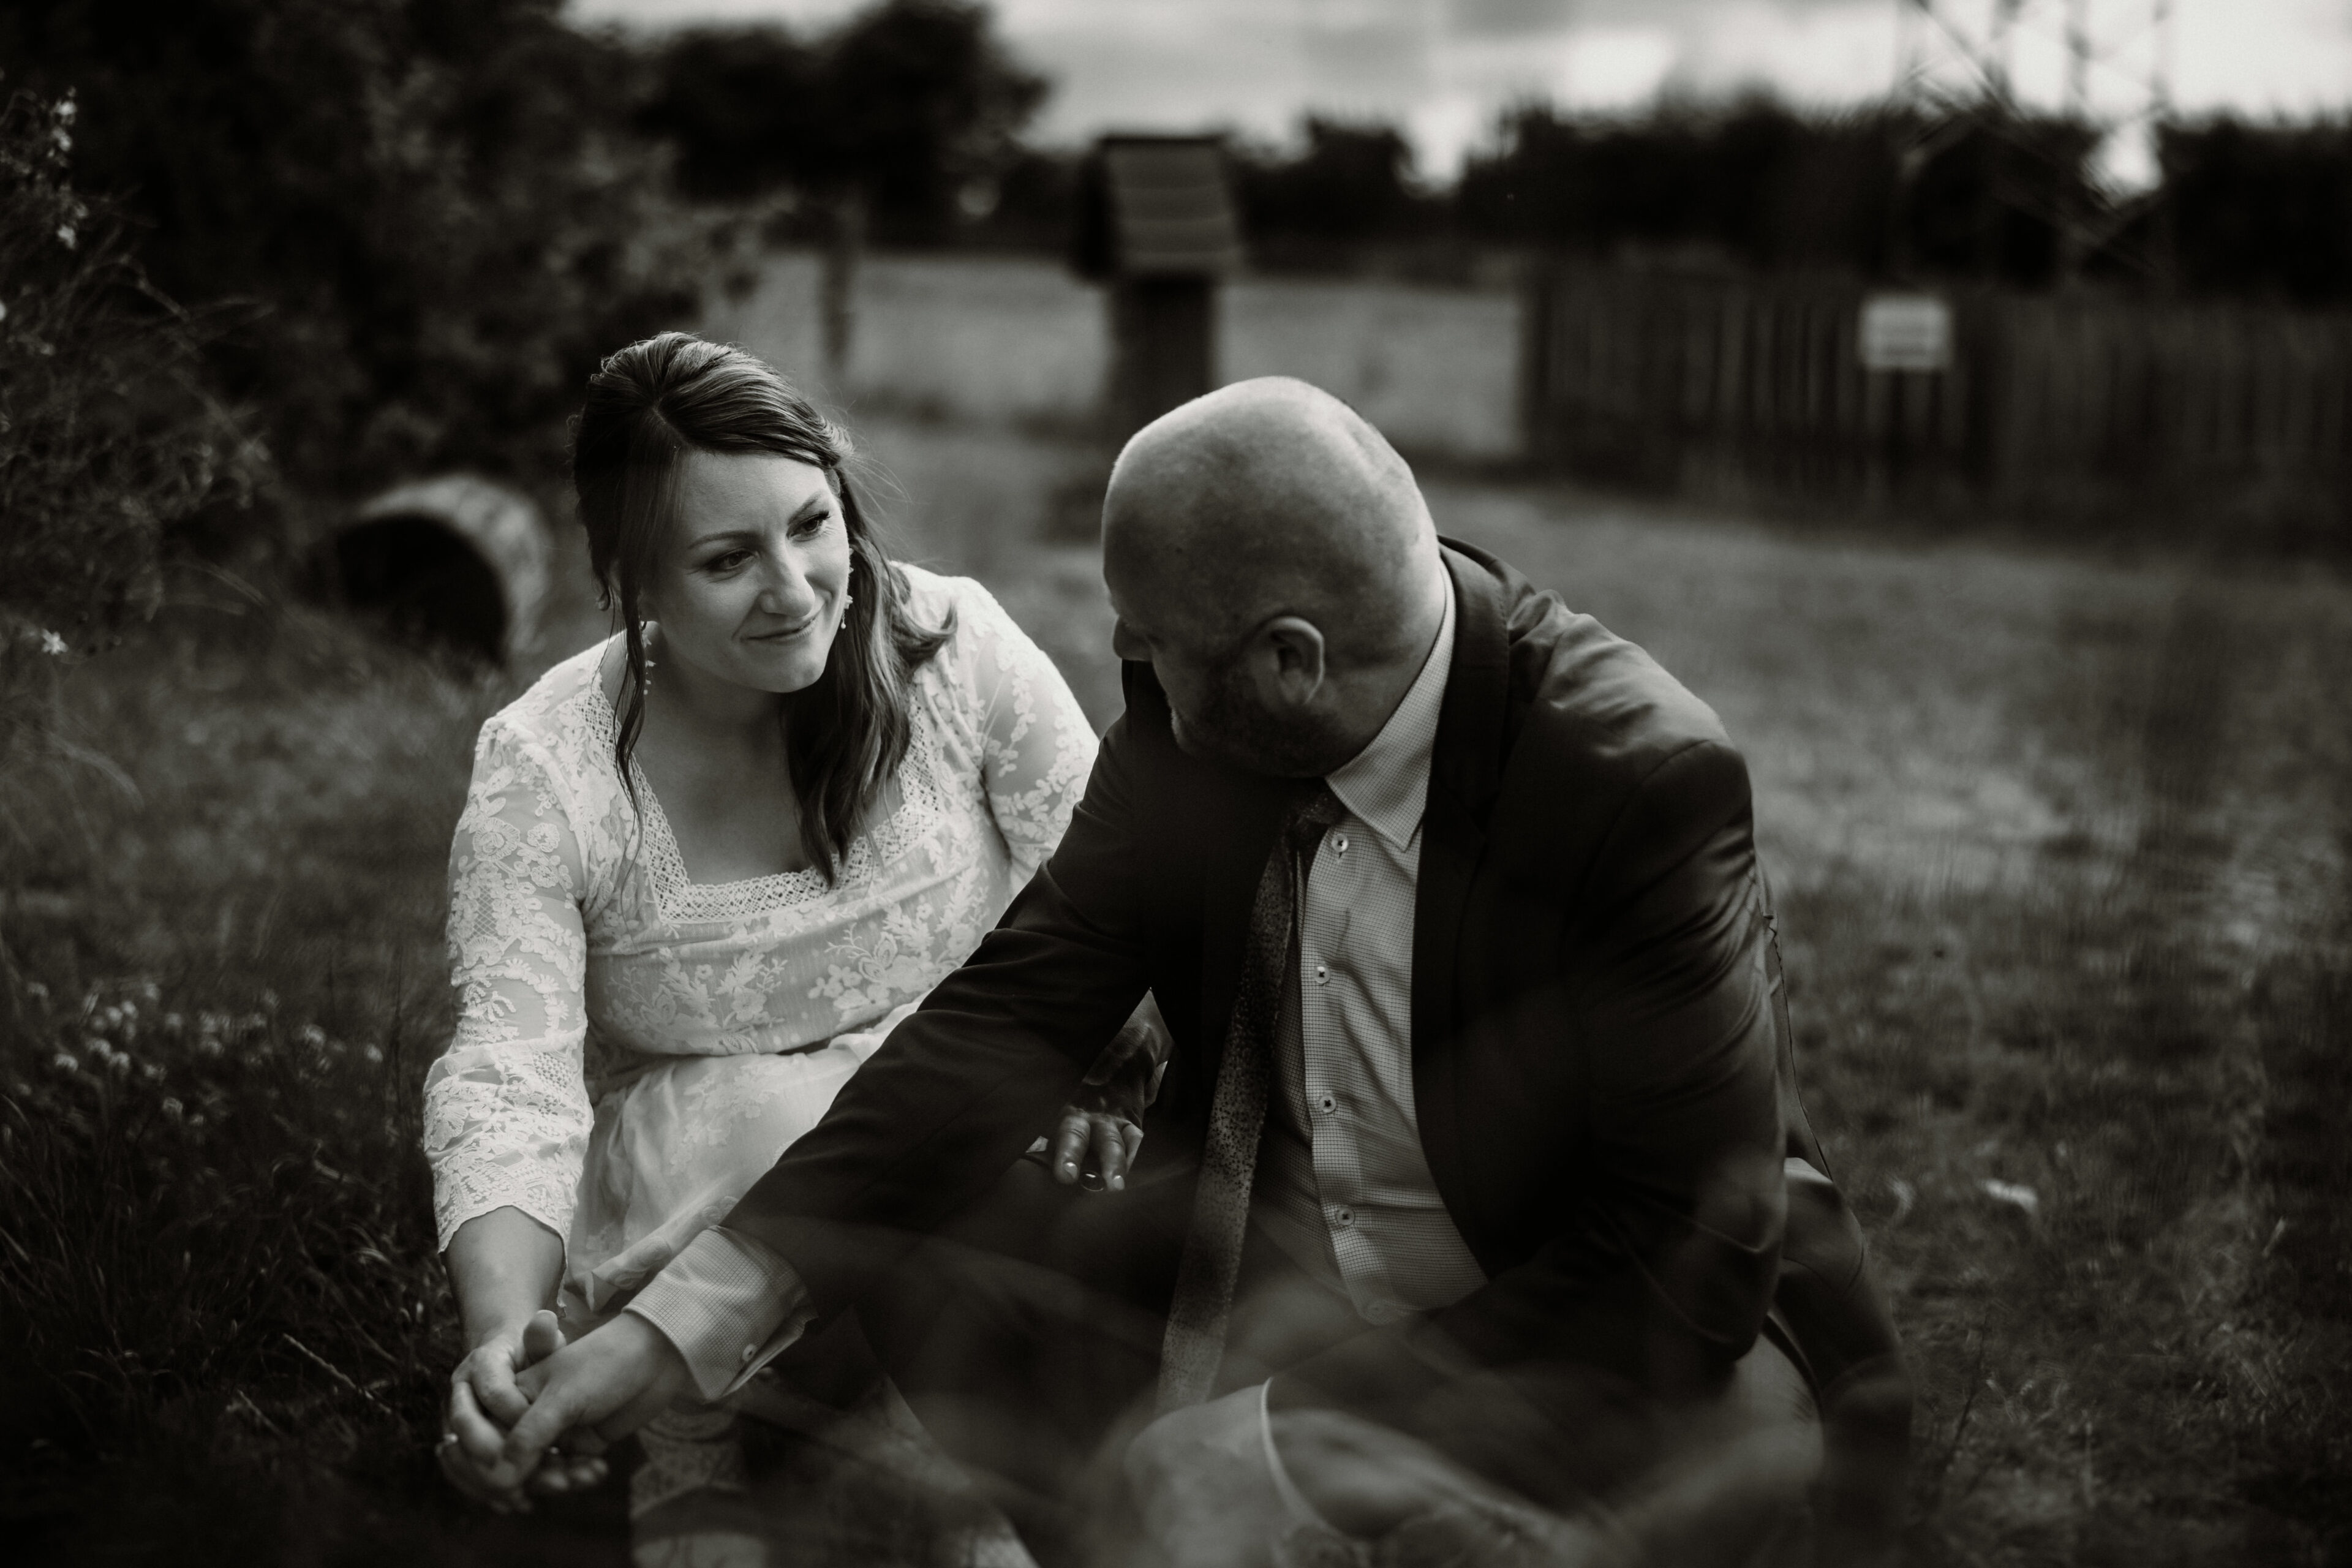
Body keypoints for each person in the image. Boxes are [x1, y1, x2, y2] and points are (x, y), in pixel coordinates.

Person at [487, 377, 1911, 1566]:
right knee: (943, 1224)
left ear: (1291, 662)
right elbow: (1010, 1011)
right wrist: (673, 1329)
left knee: (1693, 1468)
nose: (1127, 668)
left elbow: (1676, 1263)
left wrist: (1287, 1441)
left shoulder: (1637, 780)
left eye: (1151, 643)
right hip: (1258, 1280)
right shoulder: (1197, 722)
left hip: (1580, 1323)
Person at [421, 332, 1138, 1566]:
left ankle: (958, 1465)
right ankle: (688, 1444)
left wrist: (1101, 1072)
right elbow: (510, 1068)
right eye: (728, 558)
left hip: (971, 1124)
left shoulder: (957, 647)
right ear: (636, 581)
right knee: (769, 1114)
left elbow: (1112, 889)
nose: (799, 588)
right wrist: (501, 1332)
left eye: (813, 524)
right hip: (706, 1183)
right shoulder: (547, 768)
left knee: (951, 1134)